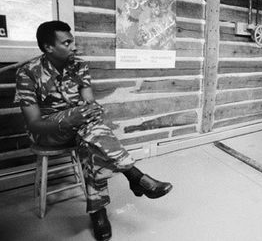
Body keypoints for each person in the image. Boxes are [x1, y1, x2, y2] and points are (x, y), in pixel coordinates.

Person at [14, 21, 173, 241]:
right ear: (48, 47)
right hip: (47, 131)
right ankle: (134, 176)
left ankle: (98, 212)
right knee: (89, 129)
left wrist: (89, 112)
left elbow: (89, 101)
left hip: (82, 128)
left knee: (91, 143)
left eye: (73, 41)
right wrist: (73, 118)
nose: (73, 46)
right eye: (67, 42)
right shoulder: (28, 73)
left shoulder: (78, 65)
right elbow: (34, 123)